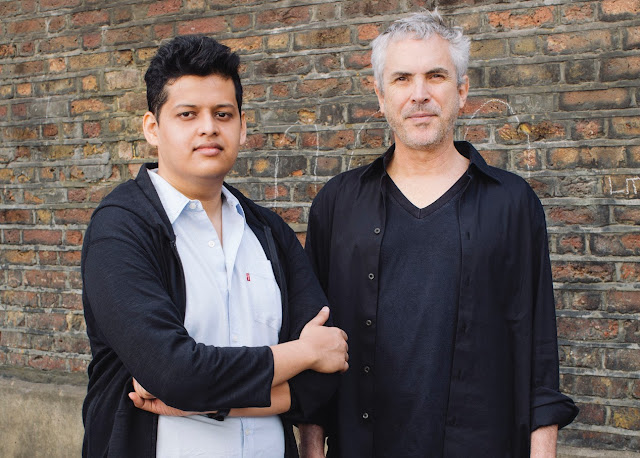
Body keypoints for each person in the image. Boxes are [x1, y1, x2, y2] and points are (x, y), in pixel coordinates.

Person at [299, 10, 578, 458]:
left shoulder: (512, 203)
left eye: (436, 76)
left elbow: (538, 353)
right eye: (402, 79)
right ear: (380, 95)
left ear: (462, 90)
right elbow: (312, 342)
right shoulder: (337, 204)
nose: (420, 94)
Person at [81, 35, 349, 458]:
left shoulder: (268, 232)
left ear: (242, 126)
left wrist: (200, 398)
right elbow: (174, 371)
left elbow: (324, 377)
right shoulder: (120, 229)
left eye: (222, 114)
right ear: (153, 128)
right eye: (187, 114)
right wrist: (301, 353)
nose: (209, 127)